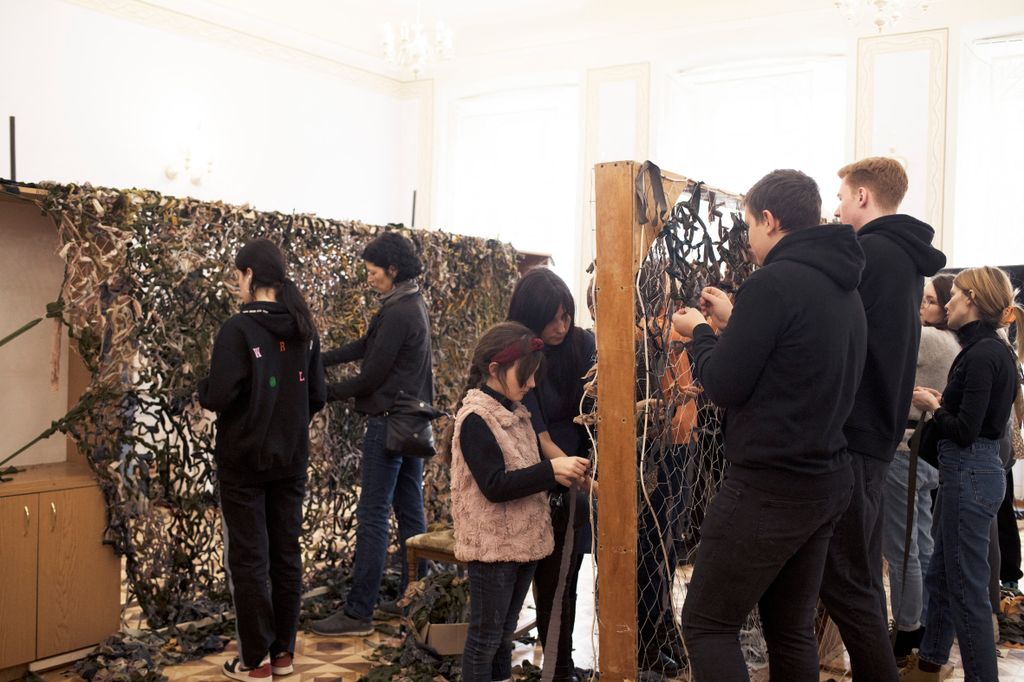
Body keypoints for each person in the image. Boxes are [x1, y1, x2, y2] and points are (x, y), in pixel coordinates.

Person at [673, 169, 866, 681]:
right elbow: (793, 360)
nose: (748, 241)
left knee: (707, 624)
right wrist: (737, 322)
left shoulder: (772, 284)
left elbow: (724, 386)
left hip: (769, 487)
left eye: (748, 226)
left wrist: (699, 334)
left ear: (769, 219)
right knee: (790, 628)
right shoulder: (843, 288)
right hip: (824, 480)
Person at [820, 156, 946, 682]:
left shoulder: (871, 253)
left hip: (854, 436)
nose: (839, 209)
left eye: (844, 198)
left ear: (865, 197)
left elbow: (844, 343)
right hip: (875, 436)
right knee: (859, 575)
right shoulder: (903, 260)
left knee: (849, 579)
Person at [198, 238, 326, 680]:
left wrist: (201, 389)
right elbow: (318, 396)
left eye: (238, 275)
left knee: (250, 559)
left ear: (250, 274)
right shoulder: (304, 328)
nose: (237, 284)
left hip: (242, 461)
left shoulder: (237, 330)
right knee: (286, 553)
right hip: (290, 459)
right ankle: (284, 654)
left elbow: (218, 395)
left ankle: (255, 661)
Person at [449, 322, 590, 682]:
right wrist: (551, 471)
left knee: (503, 635)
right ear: (495, 370)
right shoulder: (476, 419)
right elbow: (495, 485)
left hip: (522, 542)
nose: (531, 385)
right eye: (525, 376)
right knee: (485, 639)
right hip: (493, 546)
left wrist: (561, 475)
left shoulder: (517, 413)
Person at [902, 266, 1024, 681]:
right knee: (941, 573)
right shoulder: (989, 350)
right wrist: (942, 404)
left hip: (969, 472)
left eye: (952, 294)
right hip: (970, 472)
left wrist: (932, 406)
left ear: (972, 299)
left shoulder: (984, 353)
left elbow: (966, 431)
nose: (947, 302)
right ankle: (930, 662)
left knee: (968, 593)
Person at [311, 231, 434, 636]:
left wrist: (320, 392)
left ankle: (358, 613)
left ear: (392, 270)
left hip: (387, 423)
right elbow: (368, 346)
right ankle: (416, 604)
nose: (369, 278)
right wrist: (318, 359)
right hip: (411, 424)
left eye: (372, 271)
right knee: (411, 515)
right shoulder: (409, 303)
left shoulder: (399, 312)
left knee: (373, 517)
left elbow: (370, 378)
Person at [507, 268, 595, 682]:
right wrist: (583, 480)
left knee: (570, 576)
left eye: (567, 316)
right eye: (552, 318)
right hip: (554, 473)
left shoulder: (583, 343)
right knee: (552, 578)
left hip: (585, 464)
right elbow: (540, 436)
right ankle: (556, 666)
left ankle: (562, 663)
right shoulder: (526, 358)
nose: (561, 327)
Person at [883, 274, 960, 664]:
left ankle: (908, 626)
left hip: (904, 452)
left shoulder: (929, 338)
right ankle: (922, 618)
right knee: (921, 544)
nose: (923, 307)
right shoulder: (950, 341)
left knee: (901, 548)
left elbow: (883, 359)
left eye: (930, 301)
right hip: (924, 451)